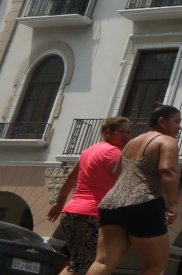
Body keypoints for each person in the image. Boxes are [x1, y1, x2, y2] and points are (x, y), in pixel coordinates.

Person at [86, 104, 181, 275]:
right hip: (143, 202)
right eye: (176, 121)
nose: (179, 126)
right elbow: (168, 171)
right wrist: (172, 205)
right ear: (161, 121)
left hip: (111, 204)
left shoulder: (131, 143)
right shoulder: (167, 141)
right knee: (155, 266)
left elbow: (116, 172)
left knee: (103, 261)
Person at [47, 116, 133, 274]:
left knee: (77, 263)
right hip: (91, 216)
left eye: (128, 132)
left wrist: (59, 204)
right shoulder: (113, 153)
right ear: (108, 132)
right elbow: (125, 183)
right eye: (122, 132)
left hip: (71, 214)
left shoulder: (89, 150)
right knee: (92, 263)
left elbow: (70, 178)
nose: (127, 136)